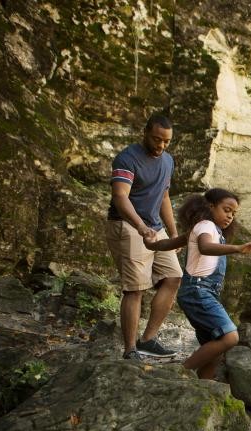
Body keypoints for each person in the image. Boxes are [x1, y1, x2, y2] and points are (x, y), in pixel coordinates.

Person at [144, 188, 251, 379]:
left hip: (202, 292)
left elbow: (172, 243)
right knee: (230, 337)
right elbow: (205, 247)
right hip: (198, 290)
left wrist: (152, 245)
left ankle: (203, 386)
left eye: (234, 213)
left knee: (215, 348)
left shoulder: (205, 230)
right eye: (226, 210)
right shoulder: (206, 225)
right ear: (210, 206)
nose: (230, 216)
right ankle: (179, 372)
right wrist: (238, 248)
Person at [105, 113, 182, 360]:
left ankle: (148, 339)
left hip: (155, 227)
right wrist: (140, 226)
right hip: (127, 225)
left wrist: (173, 232)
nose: (161, 146)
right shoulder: (127, 159)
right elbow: (120, 197)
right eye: (157, 139)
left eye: (166, 141)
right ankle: (130, 350)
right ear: (145, 132)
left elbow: (164, 197)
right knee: (135, 288)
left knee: (173, 277)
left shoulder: (167, 160)